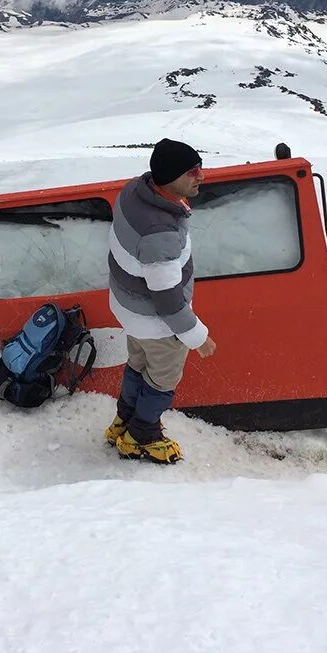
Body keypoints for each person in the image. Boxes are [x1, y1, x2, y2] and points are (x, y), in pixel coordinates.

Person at [104, 138, 217, 463]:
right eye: (193, 172)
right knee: (162, 381)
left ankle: (122, 422)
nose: (201, 177)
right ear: (169, 177)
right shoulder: (160, 233)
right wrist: (199, 338)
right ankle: (142, 436)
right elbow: (168, 301)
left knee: (138, 367)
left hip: (130, 309)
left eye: (201, 168)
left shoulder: (134, 191)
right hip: (157, 324)